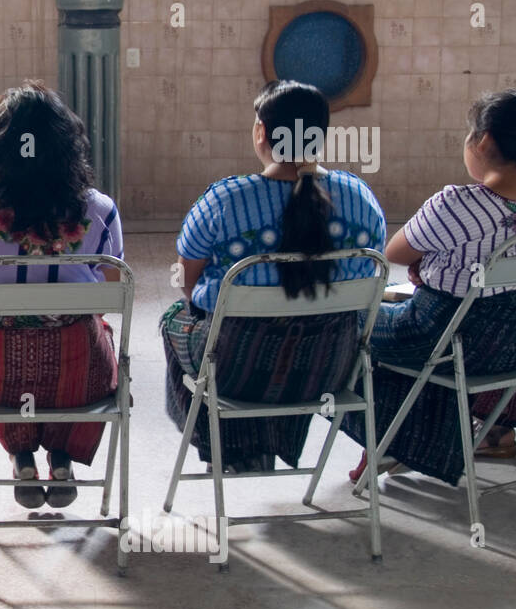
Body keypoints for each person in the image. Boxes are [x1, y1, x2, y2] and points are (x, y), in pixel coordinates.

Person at [162, 80, 386, 472]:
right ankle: (263, 442)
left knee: (172, 321)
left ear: (261, 132)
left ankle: (230, 447)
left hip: (235, 367)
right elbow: (369, 274)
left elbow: (186, 279)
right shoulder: (361, 197)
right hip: (328, 368)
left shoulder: (224, 199)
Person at [0, 81, 123, 509]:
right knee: (95, 331)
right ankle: (61, 453)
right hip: (77, 376)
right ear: (65, 143)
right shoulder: (101, 210)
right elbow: (111, 298)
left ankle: (21, 454)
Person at [344, 89, 516, 484]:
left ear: (483, 141)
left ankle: (398, 443)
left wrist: (427, 266)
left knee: (349, 324)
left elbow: (394, 252)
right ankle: (491, 431)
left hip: (440, 338)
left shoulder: (459, 204)